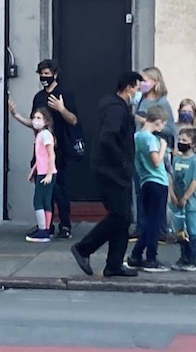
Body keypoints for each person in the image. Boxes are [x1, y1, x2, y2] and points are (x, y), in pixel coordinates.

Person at [71, 71, 141, 279]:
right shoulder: (116, 110)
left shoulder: (117, 107)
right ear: (128, 88)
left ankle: (114, 264)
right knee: (120, 215)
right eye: (137, 88)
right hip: (112, 171)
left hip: (113, 170)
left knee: (123, 217)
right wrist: (124, 162)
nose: (138, 93)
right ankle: (84, 248)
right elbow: (107, 138)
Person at [7, 59, 80, 239]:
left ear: (55, 74)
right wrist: (15, 115)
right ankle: (45, 225)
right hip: (40, 150)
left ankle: (65, 225)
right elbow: (34, 124)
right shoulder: (39, 97)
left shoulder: (64, 94)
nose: (44, 77)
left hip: (60, 147)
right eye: (41, 74)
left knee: (59, 188)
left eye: (47, 74)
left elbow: (74, 120)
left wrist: (61, 109)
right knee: (44, 191)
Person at [128, 103, 171, 272]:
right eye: (163, 124)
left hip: (145, 180)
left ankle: (137, 255)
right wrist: (163, 148)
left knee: (148, 220)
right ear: (158, 121)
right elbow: (156, 161)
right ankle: (151, 258)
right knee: (155, 221)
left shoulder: (137, 136)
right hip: (158, 181)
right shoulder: (151, 139)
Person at [170, 125, 196, 272]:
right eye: (180, 139)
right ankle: (184, 256)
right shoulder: (176, 159)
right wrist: (171, 194)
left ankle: (194, 258)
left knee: (193, 231)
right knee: (179, 231)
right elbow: (170, 177)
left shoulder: (195, 161)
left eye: (184, 140)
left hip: (191, 203)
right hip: (176, 203)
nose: (181, 142)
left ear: (193, 144)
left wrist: (186, 197)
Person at [26, 106, 58, 243]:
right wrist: (33, 170)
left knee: (38, 201)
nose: (35, 120)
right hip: (43, 171)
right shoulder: (41, 135)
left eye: (39, 118)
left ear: (46, 121)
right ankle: (45, 228)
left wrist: (49, 173)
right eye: (34, 117)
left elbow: (51, 155)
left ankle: (42, 229)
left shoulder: (45, 135)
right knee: (45, 201)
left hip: (46, 173)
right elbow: (40, 157)